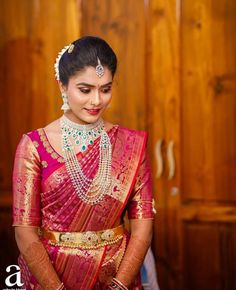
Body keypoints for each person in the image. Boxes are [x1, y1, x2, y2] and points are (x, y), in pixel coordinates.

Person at [12, 36, 155, 290]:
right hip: (50, 275)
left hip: (116, 273)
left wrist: (120, 285)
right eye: (85, 90)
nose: (97, 101)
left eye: (106, 89)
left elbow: (143, 227)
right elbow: (25, 233)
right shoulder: (33, 146)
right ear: (62, 86)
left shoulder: (132, 145)